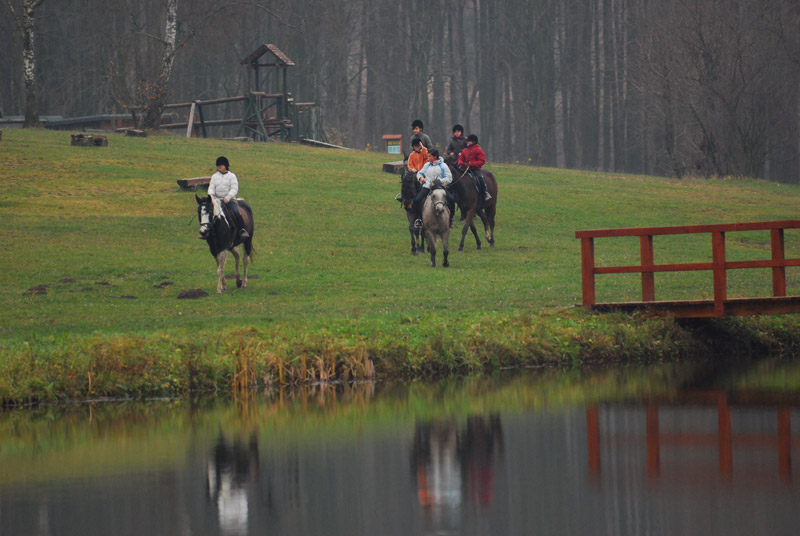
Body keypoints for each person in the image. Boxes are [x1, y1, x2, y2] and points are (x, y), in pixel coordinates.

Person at [413, 149, 456, 229]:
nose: (428, 158)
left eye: (430, 156)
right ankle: (418, 219)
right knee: (417, 200)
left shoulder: (443, 166)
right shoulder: (427, 165)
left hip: (440, 188)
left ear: (435, 156)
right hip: (427, 187)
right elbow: (420, 173)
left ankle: (451, 219)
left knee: (451, 199)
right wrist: (420, 178)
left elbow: (449, 178)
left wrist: (439, 182)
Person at [208, 156, 249, 240]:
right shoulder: (214, 176)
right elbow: (211, 188)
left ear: (226, 166)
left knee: (236, 212)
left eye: (221, 165)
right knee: (208, 212)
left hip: (229, 200)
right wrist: (211, 196)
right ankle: (207, 230)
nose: (219, 166)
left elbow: (234, 188)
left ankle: (242, 230)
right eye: (218, 165)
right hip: (217, 200)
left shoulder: (232, 176)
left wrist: (228, 197)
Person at [457, 134, 492, 201]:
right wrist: (461, 163)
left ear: (473, 142)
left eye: (469, 141)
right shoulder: (464, 150)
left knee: (480, 177)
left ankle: (484, 192)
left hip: (475, 169)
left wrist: (472, 164)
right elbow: (460, 159)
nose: (467, 142)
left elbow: (482, 161)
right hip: (465, 169)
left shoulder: (478, 150)